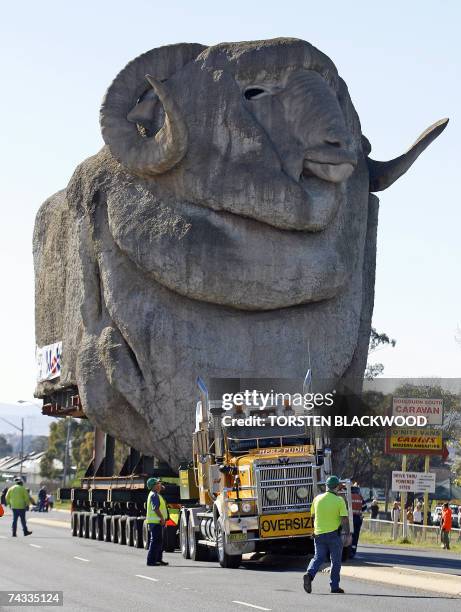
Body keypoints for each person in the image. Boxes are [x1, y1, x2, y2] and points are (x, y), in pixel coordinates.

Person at [303, 475, 351, 595]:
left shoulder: (317, 499)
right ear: (337, 487)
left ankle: (309, 574)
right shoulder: (339, 500)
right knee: (335, 561)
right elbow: (344, 519)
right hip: (333, 535)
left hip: (318, 534)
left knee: (318, 558)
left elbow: (313, 516)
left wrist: (314, 529)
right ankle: (334, 586)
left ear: (326, 486)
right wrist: (348, 534)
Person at [146, 477, 169, 567]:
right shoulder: (154, 495)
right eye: (158, 483)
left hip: (156, 522)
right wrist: (162, 519)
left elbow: (162, 488)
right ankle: (151, 561)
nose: (160, 484)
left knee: (159, 541)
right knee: (155, 541)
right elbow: (155, 509)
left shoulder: (155, 494)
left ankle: (158, 559)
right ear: (154, 486)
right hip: (156, 522)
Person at [350, 484, 366, 558]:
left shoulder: (348, 497)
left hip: (349, 519)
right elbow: (364, 507)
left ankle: (348, 550)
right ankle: (353, 551)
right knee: (355, 536)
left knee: (349, 535)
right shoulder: (360, 497)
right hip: (358, 518)